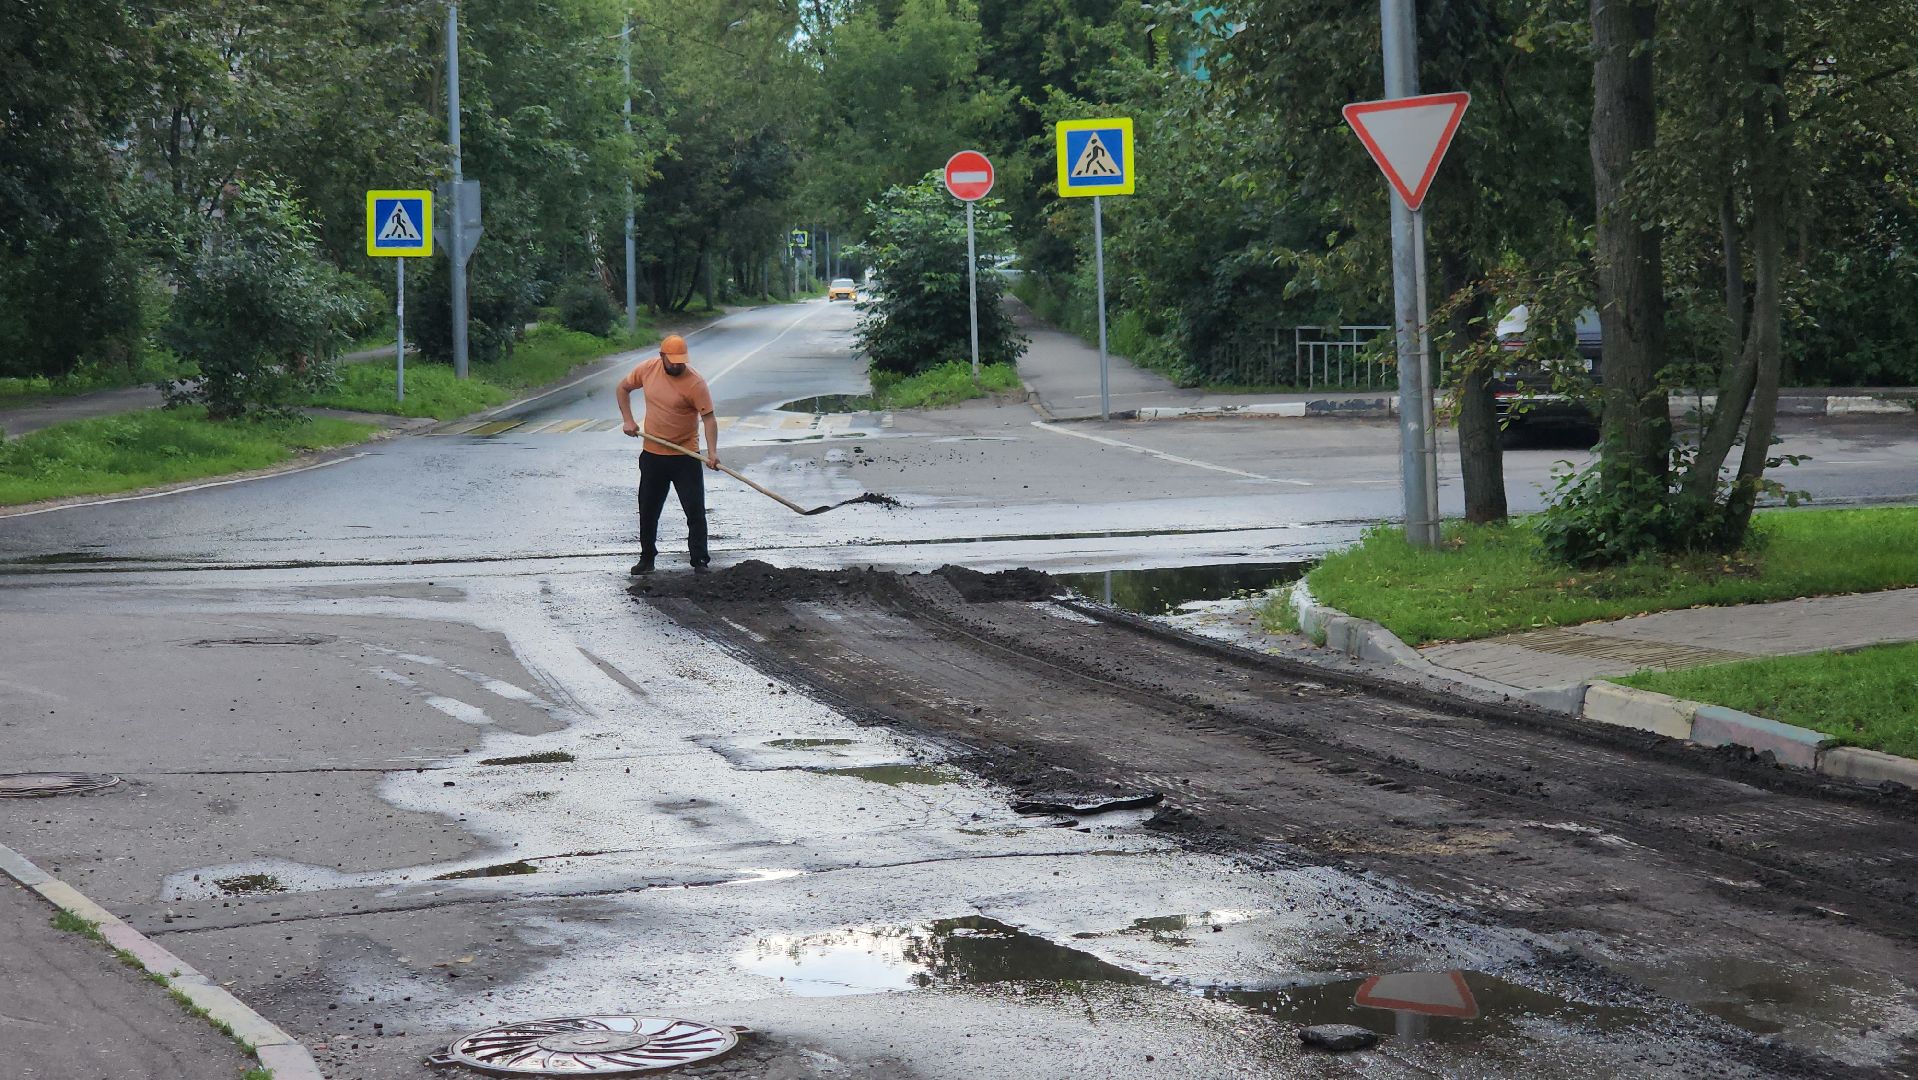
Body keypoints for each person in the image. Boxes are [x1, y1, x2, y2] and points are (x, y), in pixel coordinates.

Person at [615, 334, 719, 574]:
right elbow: (623, 388)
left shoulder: (695, 383)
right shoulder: (647, 369)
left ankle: (700, 560)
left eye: (681, 360)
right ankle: (647, 558)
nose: (677, 365)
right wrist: (628, 420)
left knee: (694, 510)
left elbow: (709, 419)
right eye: (672, 360)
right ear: (662, 356)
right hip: (653, 454)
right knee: (648, 510)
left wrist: (712, 452)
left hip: (686, 455)